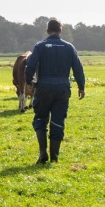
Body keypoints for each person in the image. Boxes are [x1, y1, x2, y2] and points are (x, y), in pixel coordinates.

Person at [24, 19, 85, 164]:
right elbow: (78, 68)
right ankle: (55, 158)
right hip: (62, 89)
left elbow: (30, 65)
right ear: (60, 31)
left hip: (43, 87)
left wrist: (28, 83)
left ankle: (42, 153)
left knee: (40, 119)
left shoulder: (40, 46)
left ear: (47, 31)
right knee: (58, 121)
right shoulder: (69, 47)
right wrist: (81, 86)